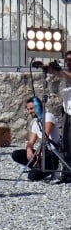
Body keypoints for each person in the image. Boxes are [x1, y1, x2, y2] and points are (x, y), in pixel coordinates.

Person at [12, 97, 60, 181]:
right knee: (16, 154)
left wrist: (38, 157)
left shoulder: (48, 117)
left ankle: (54, 168)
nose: (30, 111)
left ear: (38, 107)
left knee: (32, 176)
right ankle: (38, 167)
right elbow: (31, 142)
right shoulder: (35, 123)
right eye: (28, 109)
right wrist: (29, 149)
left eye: (32, 108)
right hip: (42, 154)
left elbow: (45, 138)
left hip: (52, 154)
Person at [43, 51, 71, 182]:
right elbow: (58, 73)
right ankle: (67, 172)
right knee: (66, 143)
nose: (69, 63)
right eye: (67, 60)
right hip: (67, 112)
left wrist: (60, 70)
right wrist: (46, 68)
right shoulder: (66, 72)